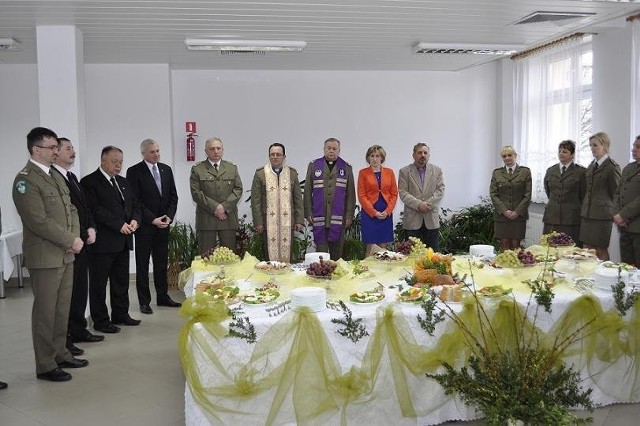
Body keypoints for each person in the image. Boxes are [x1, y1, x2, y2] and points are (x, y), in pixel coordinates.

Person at [12, 127, 87, 382]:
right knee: (45, 312)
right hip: (45, 257)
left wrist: (74, 239)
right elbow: (37, 220)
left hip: (65, 253)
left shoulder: (54, 175)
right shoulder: (26, 180)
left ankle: (60, 353)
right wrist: (69, 239)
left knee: (61, 309)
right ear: (36, 149)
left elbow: (72, 210)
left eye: (57, 147)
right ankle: (45, 364)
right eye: (52, 147)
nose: (56, 151)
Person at [51, 137, 104, 356]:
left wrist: (91, 228)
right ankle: (66, 338)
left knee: (80, 290)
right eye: (68, 148)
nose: (73, 152)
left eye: (73, 148)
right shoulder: (54, 178)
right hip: (69, 244)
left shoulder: (71, 177)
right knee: (67, 295)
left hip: (82, 242)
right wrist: (75, 237)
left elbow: (84, 208)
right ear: (56, 153)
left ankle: (79, 329)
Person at [81, 146, 142, 334]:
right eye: (114, 162)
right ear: (103, 160)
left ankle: (121, 314)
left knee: (121, 281)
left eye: (121, 162)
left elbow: (135, 204)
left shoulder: (123, 182)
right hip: (102, 244)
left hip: (123, 241)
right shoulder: (89, 182)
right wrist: (118, 224)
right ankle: (100, 320)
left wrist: (135, 220)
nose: (118, 165)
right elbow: (95, 210)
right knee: (99, 284)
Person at [126, 139, 180, 315]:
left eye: (157, 151)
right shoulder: (134, 171)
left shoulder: (166, 169)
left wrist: (168, 217)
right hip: (145, 227)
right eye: (152, 152)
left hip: (164, 225)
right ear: (143, 154)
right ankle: (144, 301)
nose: (156, 154)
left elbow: (173, 197)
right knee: (142, 264)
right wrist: (152, 219)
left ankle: (162, 296)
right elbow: (135, 201)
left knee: (161, 262)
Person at [303, 137, 356, 261]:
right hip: (319, 216)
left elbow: (351, 194)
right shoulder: (314, 166)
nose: (331, 151)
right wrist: (308, 212)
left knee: (336, 255)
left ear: (339, 150)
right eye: (329, 148)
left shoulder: (346, 168)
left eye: (334, 149)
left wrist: (349, 215)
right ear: (324, 149)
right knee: (320, 255)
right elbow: (307, 191)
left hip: (339, 218)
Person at [250, 143, 304, 262]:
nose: (275, 157)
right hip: (267, 222)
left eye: (278, 154)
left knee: (287, 254)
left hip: (287, 221)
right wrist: (258, 222)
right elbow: (256, 200)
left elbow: (298, 199)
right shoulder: (260, 174)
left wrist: (299, 220)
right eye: (272, 154)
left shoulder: (292, 174)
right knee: (269, 254)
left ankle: (285, 277)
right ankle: (271, 278)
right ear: (269, 156)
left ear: (284, 157)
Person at [190, 137, 243, 254]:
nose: (216, 151)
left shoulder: (231, 168)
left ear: (222, 150)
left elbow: (238, 189)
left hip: (227, 217)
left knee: (229, 256)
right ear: (206, 151)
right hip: (206, 218)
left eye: (218, 148)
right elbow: (196, 193)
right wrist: (215, 208)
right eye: (212, 149)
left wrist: (224, 207)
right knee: (206, 257)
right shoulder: (197, 169)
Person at [580, 132, 621, 261]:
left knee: (600, 249)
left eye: (595, 145)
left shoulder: (611, 167)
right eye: (590, 145)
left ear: (604, 145)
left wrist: (616, 213)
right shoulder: (591, 166)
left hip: (602, 216)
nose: (592, 148)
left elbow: (617, 193)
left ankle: (605, 276)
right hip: (587, 214)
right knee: (587, 249)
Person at [398, 143, 445, 251]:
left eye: (425, 153)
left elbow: (440, 189)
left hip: (431, 219)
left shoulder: (437, 170)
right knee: (412, 256)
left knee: (433, 255)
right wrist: (419, 204)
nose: (422, 155)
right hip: (412, 220)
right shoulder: (404, 171)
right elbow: (403, 193)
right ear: (414, 155)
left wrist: (427, 204)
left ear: (428, 155)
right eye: (419, 152)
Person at [542, 140, 586, 245]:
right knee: (549, 250)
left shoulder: (581, 172)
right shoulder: (550, 171)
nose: (561, 153)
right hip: (552, 217)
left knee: (571, 251)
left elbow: (583, 195)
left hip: (571, 219)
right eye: (560, 151)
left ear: (572, 155)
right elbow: (549, 192)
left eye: (565, 151)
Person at [357, 145, 398, 257]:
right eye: (372, 156)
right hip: (369, 213)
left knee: (383, 248)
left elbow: (394, 194)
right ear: (368, 158)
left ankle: (382, 272)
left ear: (382, 158)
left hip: (385, 212)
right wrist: (373, 212)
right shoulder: (363, 173)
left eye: (377, 156)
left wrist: (388, 210)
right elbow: (361, 195)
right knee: (371, 247)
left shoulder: (390, 172)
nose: (375, 159)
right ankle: (367, 272)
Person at [489, 145, 532, 251]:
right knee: (504, 244)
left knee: (516, 245)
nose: (507, 158)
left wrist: (517, 212)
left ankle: (515, 267)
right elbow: (493, 194)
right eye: (504, 156)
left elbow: (527, 195)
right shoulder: (497, 173)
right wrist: (504, 211)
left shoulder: (525, 172)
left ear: (515, 156)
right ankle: (502, 267)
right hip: (502, 216)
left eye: (509, 155)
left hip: (518, 216)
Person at [613, 136, 640, 266]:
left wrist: (623, 215)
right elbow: (618, 193)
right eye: (634, 146)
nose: (633, 149)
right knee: (626, 266)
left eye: (638, 147)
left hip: (637, 227)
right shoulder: (629, 168)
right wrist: (617, 215)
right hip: (624, 226)